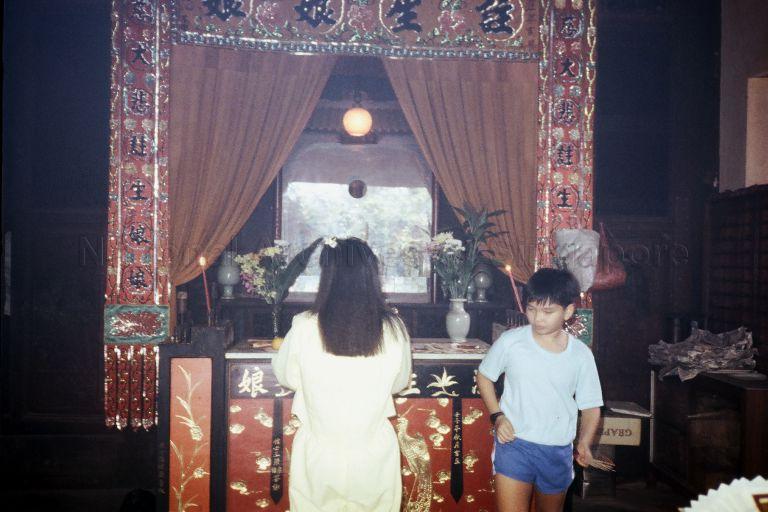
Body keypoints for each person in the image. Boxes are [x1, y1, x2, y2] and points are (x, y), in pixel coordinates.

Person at [273, 237, 412, 512]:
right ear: (371, 276)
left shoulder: (304, 326)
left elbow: (287, 377)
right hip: (373, 453)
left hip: (318, 452)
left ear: (328, 276)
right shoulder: (394, 328)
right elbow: (400, 382)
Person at [476, 268, 603, 512]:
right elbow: (484, 376)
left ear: (568, 311)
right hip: (514, 444)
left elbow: (590, 407)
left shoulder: (580, 355)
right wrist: (498, 416)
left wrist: (585, 442)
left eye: (548, 311)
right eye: (532, 309)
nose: (537, 318)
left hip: (557, 450)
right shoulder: (511, 341)